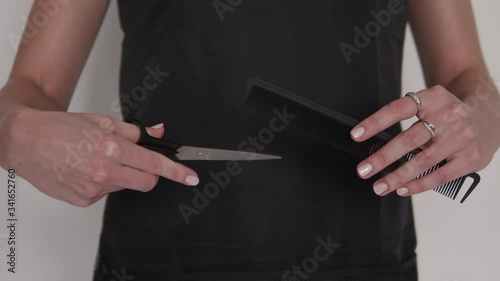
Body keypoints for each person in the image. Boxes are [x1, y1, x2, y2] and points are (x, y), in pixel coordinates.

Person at [0, 0, 498, 280]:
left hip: (362, 258)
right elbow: (29, 92)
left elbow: (469, 80)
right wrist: (16, 133)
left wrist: (478, 121)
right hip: (159, 261)